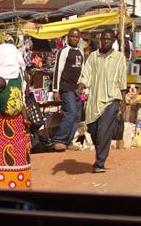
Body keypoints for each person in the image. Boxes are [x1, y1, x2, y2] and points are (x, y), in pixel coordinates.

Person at [76, 29, 127, 173]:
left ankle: (99, 163)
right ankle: (100, 154)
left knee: (104, 130)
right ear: (100, 40)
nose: (106, 41)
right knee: (93, 130)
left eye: (109, 39)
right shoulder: (93, 57)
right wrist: (81, 86)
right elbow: (86, 74)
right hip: (95, 100)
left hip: (112, 99)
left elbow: (122, 79)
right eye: (104, 39)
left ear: (113, 41)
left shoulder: (119, 58)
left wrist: (123, 99)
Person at [0, 43, 31, 189]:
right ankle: (20, 186)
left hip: (1, 123)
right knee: (20, 158)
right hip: (19, 123)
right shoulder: (21, 74)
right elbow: (24, 96)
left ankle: (0, 186)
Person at [52, 28, 84, 151]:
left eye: (76, 37)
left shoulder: (80, 53)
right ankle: (59, 140)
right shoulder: (63, 51)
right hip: (66, 88)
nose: (74, 39)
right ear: (68, 37)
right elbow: (57, 70)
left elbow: (82, 71)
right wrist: (55, 90)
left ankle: (69, 141)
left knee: (77, 116)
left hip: (77, 90)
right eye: (72, 37)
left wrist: (83, 88)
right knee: (69, 113)